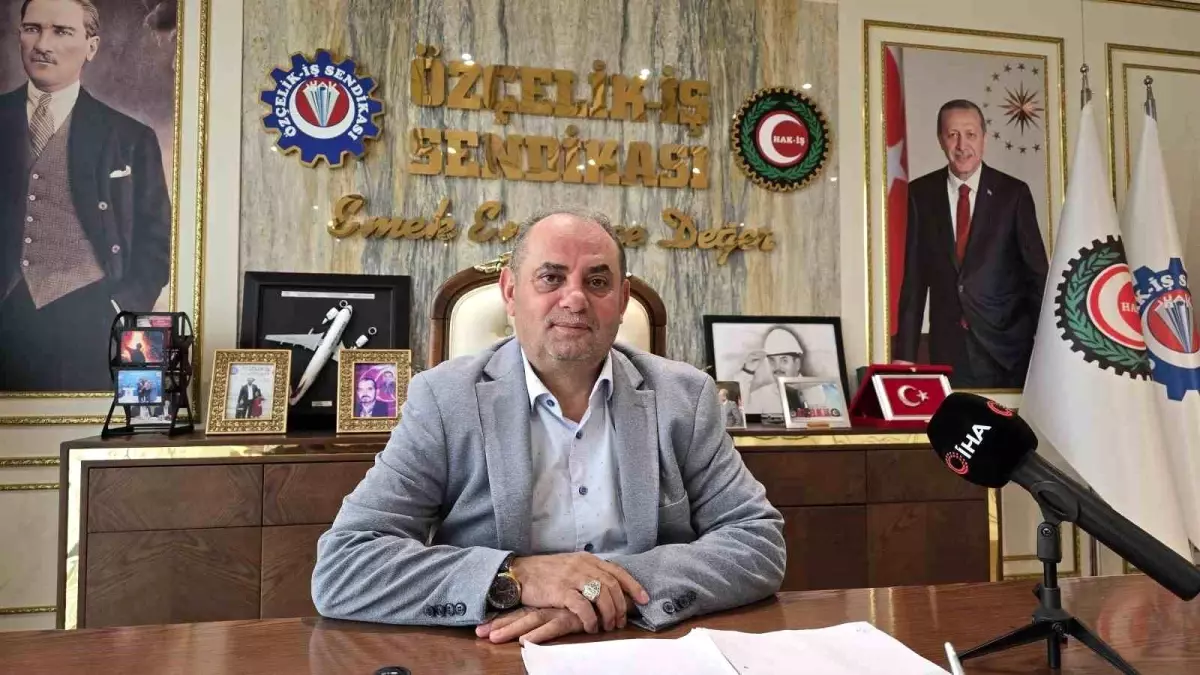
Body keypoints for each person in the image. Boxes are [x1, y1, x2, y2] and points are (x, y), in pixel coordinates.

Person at [313, 208, 785, 646]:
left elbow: (756, 541)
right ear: (511, 292)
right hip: (498, 648)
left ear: (622, 300)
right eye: (551, 277)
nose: (575, 298)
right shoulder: (443, 399)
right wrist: (514, 578)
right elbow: (345, 566)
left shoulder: (685, 397)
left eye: (597, 281)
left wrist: (598, 592)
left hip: (646, 641)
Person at [0, 0, 172, 392]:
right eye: (32, 28)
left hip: (90, 319)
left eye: (61, 31)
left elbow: (158, 238)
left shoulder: (130, 138)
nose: (43, 44)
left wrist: (120, 307)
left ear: (91, 46)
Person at [893, 99, 1049, 388]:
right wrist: (904, 355)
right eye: (953, 135)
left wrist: (1049, 348)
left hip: (1008, 350)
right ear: (941, 140)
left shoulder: (1013, 194)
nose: (962, 145)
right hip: (948, 351)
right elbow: (914, 281)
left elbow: (1037, 275)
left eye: (970, 134)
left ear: (984, 139)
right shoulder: (920, 194)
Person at [739, 325, 806, 415]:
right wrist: (747, 371)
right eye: (772, 360)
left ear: (797, 364)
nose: (777, 367)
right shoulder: (761, 396)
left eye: (784, 360)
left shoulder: (817, 392)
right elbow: (742, 416)